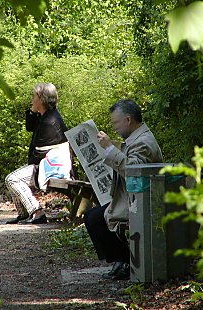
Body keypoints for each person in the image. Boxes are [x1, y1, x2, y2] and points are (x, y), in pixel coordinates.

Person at [84, 99, 163, 280]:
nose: (114, 128)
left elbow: (134, 172)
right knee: (92, 216)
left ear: (128, 120)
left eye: (115, 123)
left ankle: (126, 261)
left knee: (96, 219)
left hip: (143, 202)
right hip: (133, 198)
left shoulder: (142, 142)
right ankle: (122, 260)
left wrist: (110, 148)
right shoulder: (137, 138)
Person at [5, 82, 70, 224]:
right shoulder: (46, 115)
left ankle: (37, 211)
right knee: (13, 178)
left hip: (53, 168)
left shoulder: (50, 121)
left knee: (12, 179)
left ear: (41, 99)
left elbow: (38, 154)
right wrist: (33, 111)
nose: (32, 99)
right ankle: (24, 214)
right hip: (46, 163)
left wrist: (29, 166)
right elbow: (30, 127)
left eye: (34, 96)